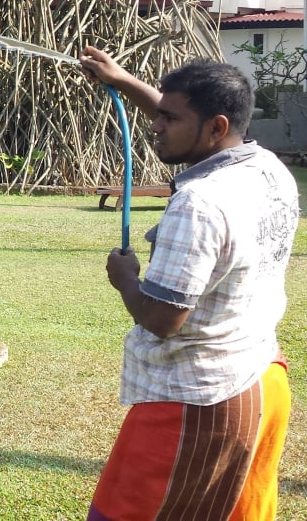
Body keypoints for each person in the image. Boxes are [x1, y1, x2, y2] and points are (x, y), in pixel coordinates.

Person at [80, 46, 297, 521]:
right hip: (262, 378)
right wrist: (121, 80)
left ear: (217, 127)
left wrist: (126, 281)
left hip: (199, 401)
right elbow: (183, 118)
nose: (155, 125)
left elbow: (163, 320)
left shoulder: (199, 203)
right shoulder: (268, 169)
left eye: (169, 119)